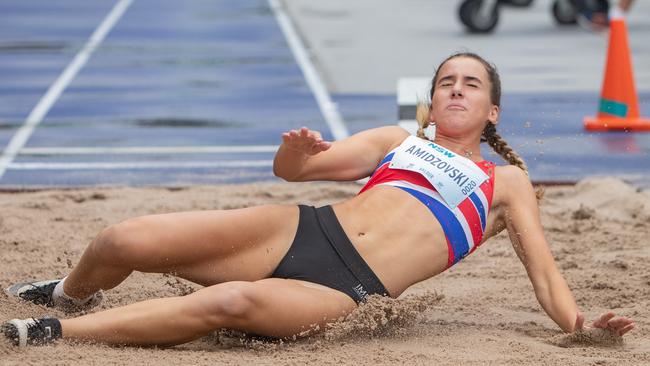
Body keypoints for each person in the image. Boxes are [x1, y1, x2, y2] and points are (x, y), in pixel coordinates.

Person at [2, 52, 634, 348]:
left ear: (492, 108)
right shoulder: (399, 138)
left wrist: (582, 327)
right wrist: (298, 153)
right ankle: (69, 292)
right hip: (297, 229)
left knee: (229, 302)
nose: (457, 91)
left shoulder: (508, 183)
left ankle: (51, 331)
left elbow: (545, 278)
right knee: (123, 239)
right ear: (431, 101)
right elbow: (295, 174)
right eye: (446, 83)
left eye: (471, 85)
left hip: (347, 288)